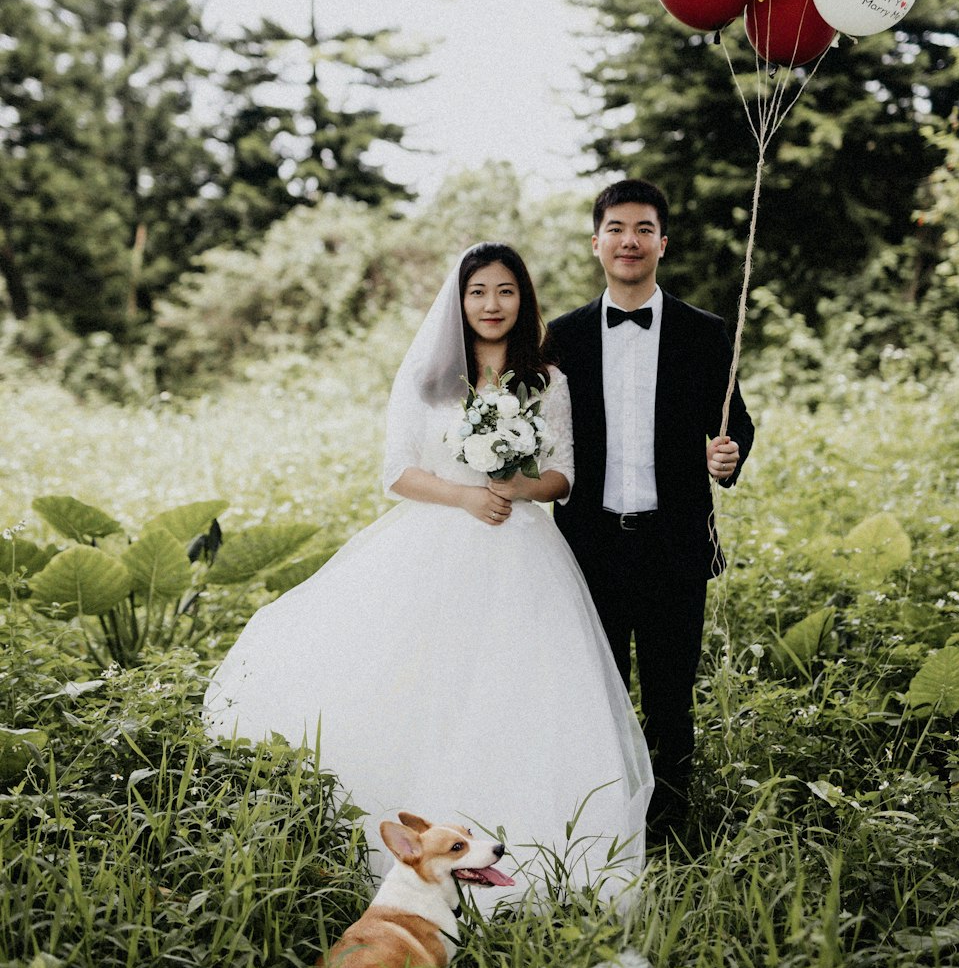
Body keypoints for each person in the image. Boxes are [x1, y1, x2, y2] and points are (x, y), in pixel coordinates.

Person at [204, 242, 652, 902]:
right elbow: (397, 473)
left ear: (522, 299)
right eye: (478, 293)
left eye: (505, 291)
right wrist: (468, 494)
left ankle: (535, 843)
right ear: (460, 301)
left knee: (522, 689)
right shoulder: (429, 379)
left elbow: (565, 477)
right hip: (439, 543)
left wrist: (516, 482)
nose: (492, 305)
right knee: (427, 683)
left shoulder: (546, 381)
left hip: (526, 553)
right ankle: (422, 842)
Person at [546, 179, 755, 845]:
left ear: (663, 242)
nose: (629, 241)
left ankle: (667, 829)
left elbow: (737, 426)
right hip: (590, 546)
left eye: (642, 229)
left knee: (669, 698)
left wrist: (727, 457)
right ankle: (601, 822)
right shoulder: (563, 338)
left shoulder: (706, 333)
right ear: (596, 243)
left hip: (673, 544)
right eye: (615, 228)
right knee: (596, 697)